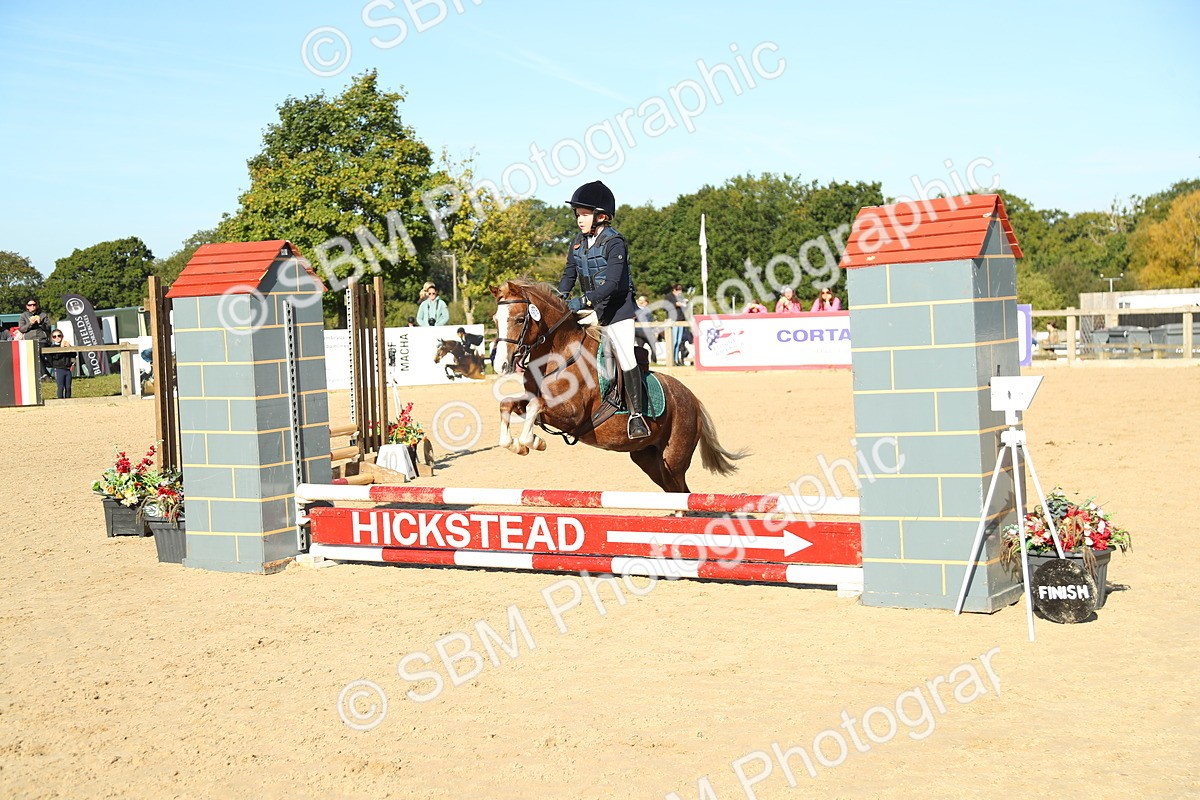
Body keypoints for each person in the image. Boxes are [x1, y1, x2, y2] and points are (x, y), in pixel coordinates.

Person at [558, 180, 650, 439]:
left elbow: (610, 284)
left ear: (601, 216)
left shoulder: (615, 242)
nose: (579, 219)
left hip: (617, 311)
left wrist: (583, 301)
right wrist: (559, 298)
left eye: (584, 214)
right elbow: (569, 275)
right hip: (593, 310)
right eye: (578, 214)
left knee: (625, 356)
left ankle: (636, 415)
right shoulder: (577, 242)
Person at [43, 329, 75, 398]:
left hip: (67, 368)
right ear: (52, 338)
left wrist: (69, 348)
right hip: (58, 369)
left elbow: (73, 355)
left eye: (59, 336)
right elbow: (56, 357)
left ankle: (68, 400)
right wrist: (62, 348)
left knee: (68, 387)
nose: (57, 337)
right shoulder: (52, 347)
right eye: (54, 336)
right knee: (60, 387)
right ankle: (60, 400)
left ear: (62, 336)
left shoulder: (66, 345)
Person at [663, 283, 689, 367]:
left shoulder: (681, 297)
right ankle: (672, 359)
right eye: (678, 290)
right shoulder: (669, 296)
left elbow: (684, 307)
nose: (680, 292)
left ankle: (676, 359)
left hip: (681, 319)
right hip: (673, 319)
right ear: (674, 290)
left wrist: (684, 303)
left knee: (678, 341)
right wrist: (677, 304)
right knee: (673, 341)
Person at [633, 295, 657, 364]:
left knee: (642, 347)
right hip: (643, 332)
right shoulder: (643, 310)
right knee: (650, 347)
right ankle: (650, 361)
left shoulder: (639, 309)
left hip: (640, 331)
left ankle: (644, 361)